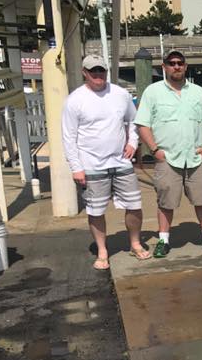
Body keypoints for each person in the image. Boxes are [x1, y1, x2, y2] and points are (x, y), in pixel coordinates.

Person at [61, 54, 150, 270]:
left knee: (134, 206)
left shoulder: (120, 94)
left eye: (101, 70)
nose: (98, 75)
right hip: (91, 164)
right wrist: (76, 167)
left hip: (121, 162)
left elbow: (133, 121)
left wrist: (133, 143)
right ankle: (102, 250)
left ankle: (135, 243)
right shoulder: (74, 100)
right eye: (93, 71)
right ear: (85, 73)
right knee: (96, 210)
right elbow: (68, 136)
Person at [135, 49, 202, 258]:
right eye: (172, 63)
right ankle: (164, 240)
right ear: (164, 66)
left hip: (194, 157)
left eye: (180, 63)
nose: (176, 66)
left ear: (185, 66)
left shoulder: (198, 92)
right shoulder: (152, 92)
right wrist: (155, 150)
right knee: (166, 202)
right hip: (168, 158)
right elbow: (143, 125)